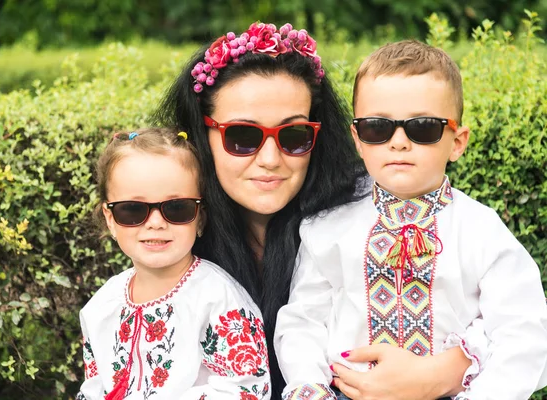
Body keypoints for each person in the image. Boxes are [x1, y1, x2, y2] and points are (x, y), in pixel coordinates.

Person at [156, 22, 488, 400]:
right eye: (242, 137)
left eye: (294, 136)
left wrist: (446, 371)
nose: (269, 160)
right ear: (204, 135)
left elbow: (514, 317)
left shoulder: (377, 209)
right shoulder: (167, 229)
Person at [274, 39, 547, 400]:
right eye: (377, 127)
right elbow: (303, 321)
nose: (399, 142)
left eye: (423, 127)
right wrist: (309, 386)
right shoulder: (328, 228)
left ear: (458, 141)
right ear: (357, 138)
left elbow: (524, 333)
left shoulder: (481, 231)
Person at [77, 128, 271, 399]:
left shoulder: (217, 298)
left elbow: (248, 388)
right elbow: (95, 386)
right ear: (110, 219)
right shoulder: (101, 306)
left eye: (177, 208)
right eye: (132, 209)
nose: (156, 223)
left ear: (200, 218)